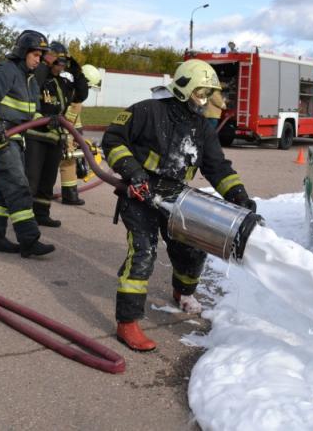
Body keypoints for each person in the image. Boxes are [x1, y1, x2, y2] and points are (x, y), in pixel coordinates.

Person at [102, 58, 257, 352]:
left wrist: (239, 196)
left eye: (208, 93)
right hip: (140, 192)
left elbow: (218, 167)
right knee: (143, 253)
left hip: (177, 195)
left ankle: (183, 292)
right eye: (201, 92)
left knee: (192, 250)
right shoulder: (147, 111)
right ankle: (128, 322)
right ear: (184, 88)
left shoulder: (202, 127)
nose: (205, 100)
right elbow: (113, 140)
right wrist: (134, 174)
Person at [0, 30, 55, 257]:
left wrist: (48, 121)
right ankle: (29, 239)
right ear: (23, 52)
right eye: (36, 54)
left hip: (17, 139)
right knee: (19, 187)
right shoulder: (4, 72)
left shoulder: (29, 80)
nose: (39, 60)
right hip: (3, 139)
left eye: (41, 55)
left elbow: (29, 114)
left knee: (4, 188)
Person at [25, 41, 88, 223]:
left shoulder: (64, 83)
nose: (61, 67)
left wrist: (77, 72)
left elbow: (81, 94)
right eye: (58, 62)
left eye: (63, 64)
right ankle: (25, 219)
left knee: (48, 180)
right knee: (32, 180)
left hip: (55, 138)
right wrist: (47, 62)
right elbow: (36, 80)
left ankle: (42, 214)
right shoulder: (37, 79)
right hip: (36, 137)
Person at [58, 63, 100, 206]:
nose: (87, 92)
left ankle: (69, 194)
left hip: (63, 132)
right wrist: (70, 143)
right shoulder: (71, 96)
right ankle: (69, 196)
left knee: (70, 160)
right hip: (57, 133)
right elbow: (66, 122)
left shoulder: (75, 96)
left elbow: (76, 123)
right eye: (88, 87)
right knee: (68, 160)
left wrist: (81, 142)